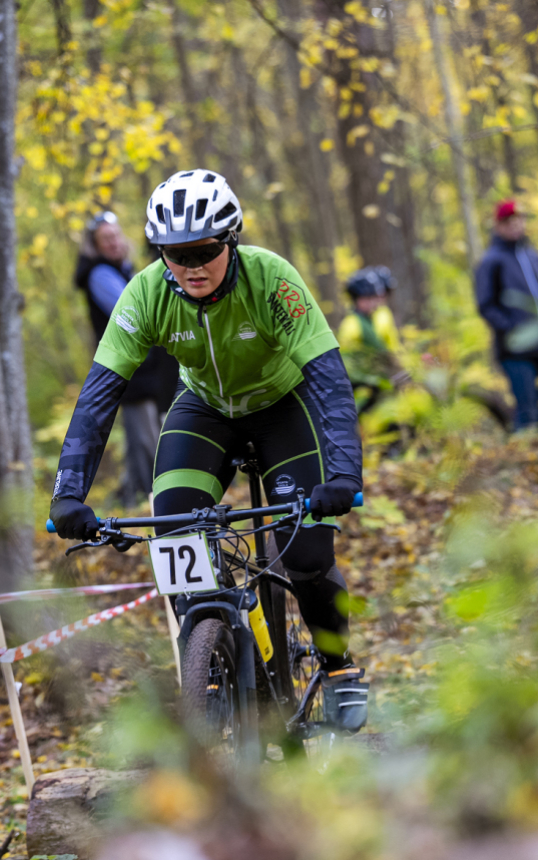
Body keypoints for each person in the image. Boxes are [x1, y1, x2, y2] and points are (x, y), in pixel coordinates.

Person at [49, 169, 370, 733]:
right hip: (205, 409)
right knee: (174, 526)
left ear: (231, 240)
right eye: (176, 254)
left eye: (204, 251)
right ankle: (210, 662)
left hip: (282, 406)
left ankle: (339, 666)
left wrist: (344, 473)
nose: (191, 266)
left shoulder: (272, 278)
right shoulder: (146, 293)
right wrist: (68, 492)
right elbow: (99, 397)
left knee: (305, 555)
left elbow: (329, 381)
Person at [74, 210, 180, 506]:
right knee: (144, 440)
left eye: (115, 235)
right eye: (105, 239)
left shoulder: (122, 269)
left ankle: (134, 496)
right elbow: (130, 309)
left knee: (145, 438)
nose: (114, 242)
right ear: (96, 245)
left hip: (144, 370)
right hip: (130, 369)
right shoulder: (100, 273)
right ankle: (146, 499)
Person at [474, 200, 538, 431]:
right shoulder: (491, 261)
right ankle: (524, 448)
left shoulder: (533, 255)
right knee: (528, 410)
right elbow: (486, 305)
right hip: (515, 351)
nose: (515, 226)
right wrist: (511, 329)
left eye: (519, 220)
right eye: (509, 222)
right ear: (499, 226)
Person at [337, 266, 408, 414]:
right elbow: (345, 362)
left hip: (379, 382)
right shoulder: (351, 325)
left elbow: (390, 346)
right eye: (369, 298)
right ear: (358, 300)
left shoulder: (373, 318)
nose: (374, 302)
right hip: (362, 387)